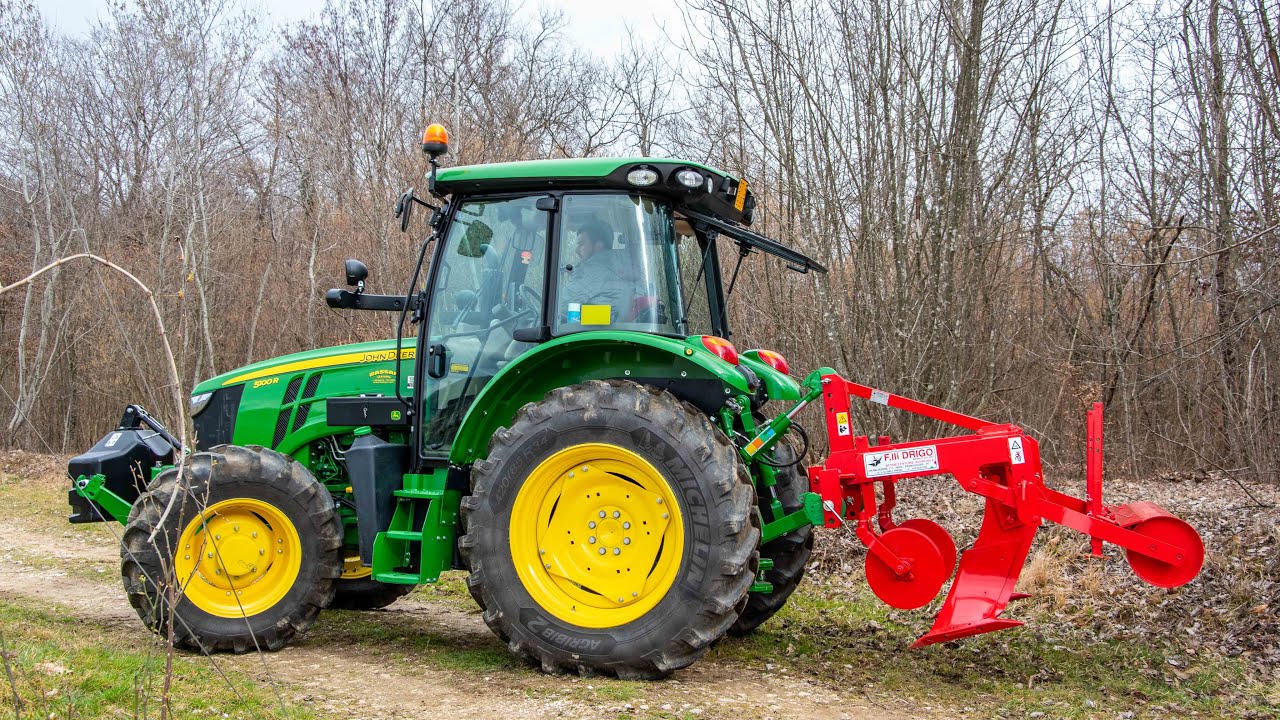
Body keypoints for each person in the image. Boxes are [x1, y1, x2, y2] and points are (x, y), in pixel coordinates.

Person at [561, 219, 627, 321]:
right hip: (610, 324)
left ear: (598, 245)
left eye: (581, 244)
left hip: (598, 329)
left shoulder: (591, 271)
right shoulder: (622, 266)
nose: (576, 250)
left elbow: (561, 306)